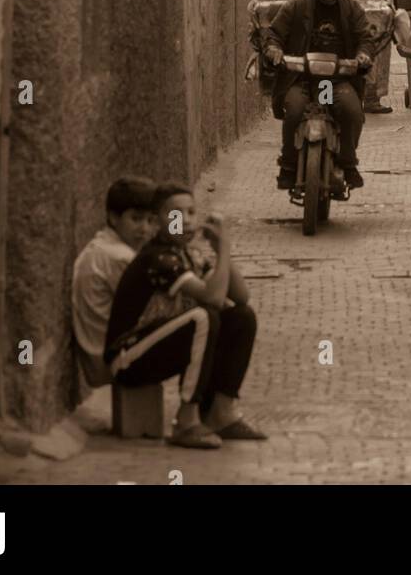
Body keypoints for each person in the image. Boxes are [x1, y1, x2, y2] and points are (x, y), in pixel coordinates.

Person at [104, 183, 266, 448]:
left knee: (241, 317)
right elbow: (212, 297)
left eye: (192, 213)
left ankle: (221, 413)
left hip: (157, 346)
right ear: (157, 222)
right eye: (177, 215)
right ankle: (187, 420)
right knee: (203, 316)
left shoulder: (187, 254)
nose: (188, 221)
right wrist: (223, 248)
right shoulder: (158, 258)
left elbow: (241, 296)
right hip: (127, 358)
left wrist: (220, 249)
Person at [263, 0, 373, 190]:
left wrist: (363, 55)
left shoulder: (352, 8)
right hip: (300, 78)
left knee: (352, 112)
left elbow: (365, 37)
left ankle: (348, 162)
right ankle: (289, 164)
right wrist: (274, 50)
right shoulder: (296, 5)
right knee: (293, 111)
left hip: (337, 80)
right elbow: (274, 34)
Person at [72, 176, 159, 388]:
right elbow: (153, 311)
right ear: (113, 217)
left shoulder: (102, 245)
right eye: (136, 219)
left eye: (150, 220)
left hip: (102, 353)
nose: (144, 229)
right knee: (204, 319)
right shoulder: (118, 257)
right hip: (108, 361)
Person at [346, 0, 394, 113]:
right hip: (373, 24)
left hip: (354, 20)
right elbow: (383, 2)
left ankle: (358, 97)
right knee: (376, 62)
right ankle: (372, 101)